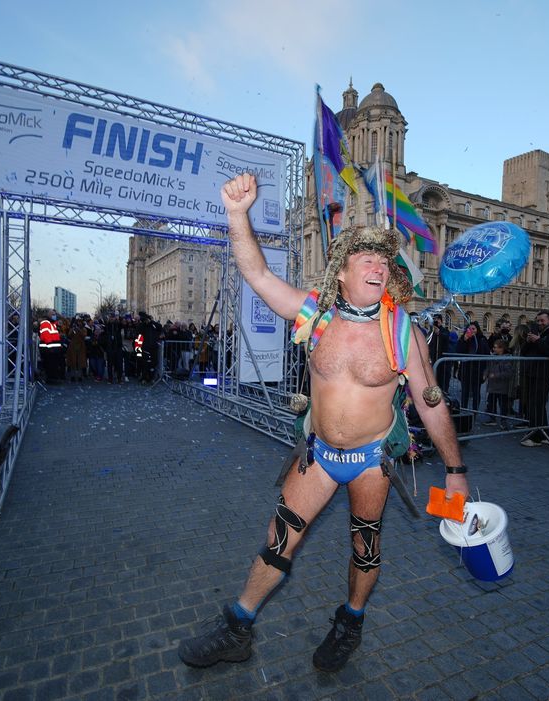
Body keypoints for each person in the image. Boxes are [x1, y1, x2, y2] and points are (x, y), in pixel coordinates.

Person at [177, 173, 470, 673]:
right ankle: (237, 628)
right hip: (317, 455)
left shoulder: (403, 330)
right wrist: (236, 214)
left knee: (366, 547)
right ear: (342, 272)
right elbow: (258, 275)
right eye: (366, 258)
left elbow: (430, 402)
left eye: (384, 260)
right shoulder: (315, 315)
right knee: (278, 539)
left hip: (372, 462)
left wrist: (456, 471)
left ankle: (350, 623)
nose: (378, 265)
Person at [518, 310, 549, 447]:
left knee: (536, 404)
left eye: (542, 321)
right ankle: (544, 433)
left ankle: (536, 436)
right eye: (538, 320)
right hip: (531, 372)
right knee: (535, 404)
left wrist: (538, 341)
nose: (539, 323)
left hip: (543, 373)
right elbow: (524, 352)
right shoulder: (537, 333)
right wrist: (528, 342)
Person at [455, 321, 489, 413]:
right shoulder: (464, 338)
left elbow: (486, 355)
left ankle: (475, 411)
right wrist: (465, 339)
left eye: (473, 329)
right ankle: (463, 409)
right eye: (469, 329)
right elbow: (458, 351)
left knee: (476, 392)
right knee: (465, 392)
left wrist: (485, 371)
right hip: (466, 369)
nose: (471, 331)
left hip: (477, 370)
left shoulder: (482, 339)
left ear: (477, 330)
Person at [484, 339, 514, 428]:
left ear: (502, 349)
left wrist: (495, 375)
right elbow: (488, 368)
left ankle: (503, 421)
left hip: (502, 387)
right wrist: (485, 374)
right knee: (491, 403)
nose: (493, 349)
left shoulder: (507, 359)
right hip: (492, 386)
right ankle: (492, 418)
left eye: (495, 347)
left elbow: (508, 373)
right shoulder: (492, 357)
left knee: (503, 405)